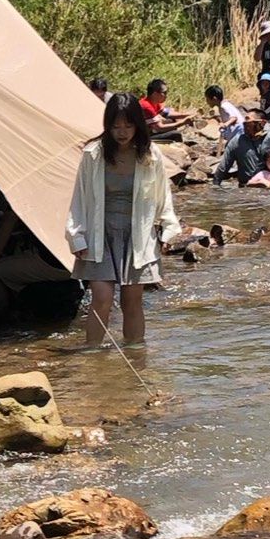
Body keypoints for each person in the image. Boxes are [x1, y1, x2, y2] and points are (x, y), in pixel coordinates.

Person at [67, 89, 183, 349]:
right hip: (101, 232)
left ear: (137, 125)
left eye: (128, 125)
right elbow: (79, 197)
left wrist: (167, 231)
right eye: (116, 126)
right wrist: (76, 235)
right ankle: (92, 353)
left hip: (137, 233)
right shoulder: (93, 154)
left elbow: (162, 197)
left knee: (132, 300)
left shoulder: (150, 155)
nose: (122, 132)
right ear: (107, 126)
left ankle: (135, 353)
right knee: (102, 296)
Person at [213, 111, 270, 186]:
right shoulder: (237, 142)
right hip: (247, 187)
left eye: (248, 123)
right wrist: (215, 188)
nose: (245, 126)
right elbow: (222, 169)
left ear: (261, 123)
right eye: (244, 123)